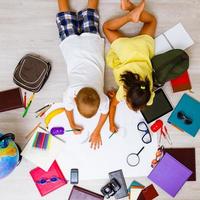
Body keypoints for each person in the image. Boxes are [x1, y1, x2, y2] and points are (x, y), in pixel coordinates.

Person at [56, 0, 109, 149]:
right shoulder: (71, 91)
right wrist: (72, 124)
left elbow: (104, 112)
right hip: (71, 45)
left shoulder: (102, 98)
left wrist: (97, 130)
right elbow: (68, 108)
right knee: (64, 14)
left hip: (91, 43)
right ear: (74, 97)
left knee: (91, 10)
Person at [103, 0, 157, 133]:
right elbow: (113, 105)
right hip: (125, 49)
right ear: (126, 96)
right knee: (106, 28)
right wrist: (111, 124)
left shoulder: (148, 95)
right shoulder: (123, 91)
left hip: (141, 47)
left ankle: (130, 8)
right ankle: (129, 16)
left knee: (152, 21)